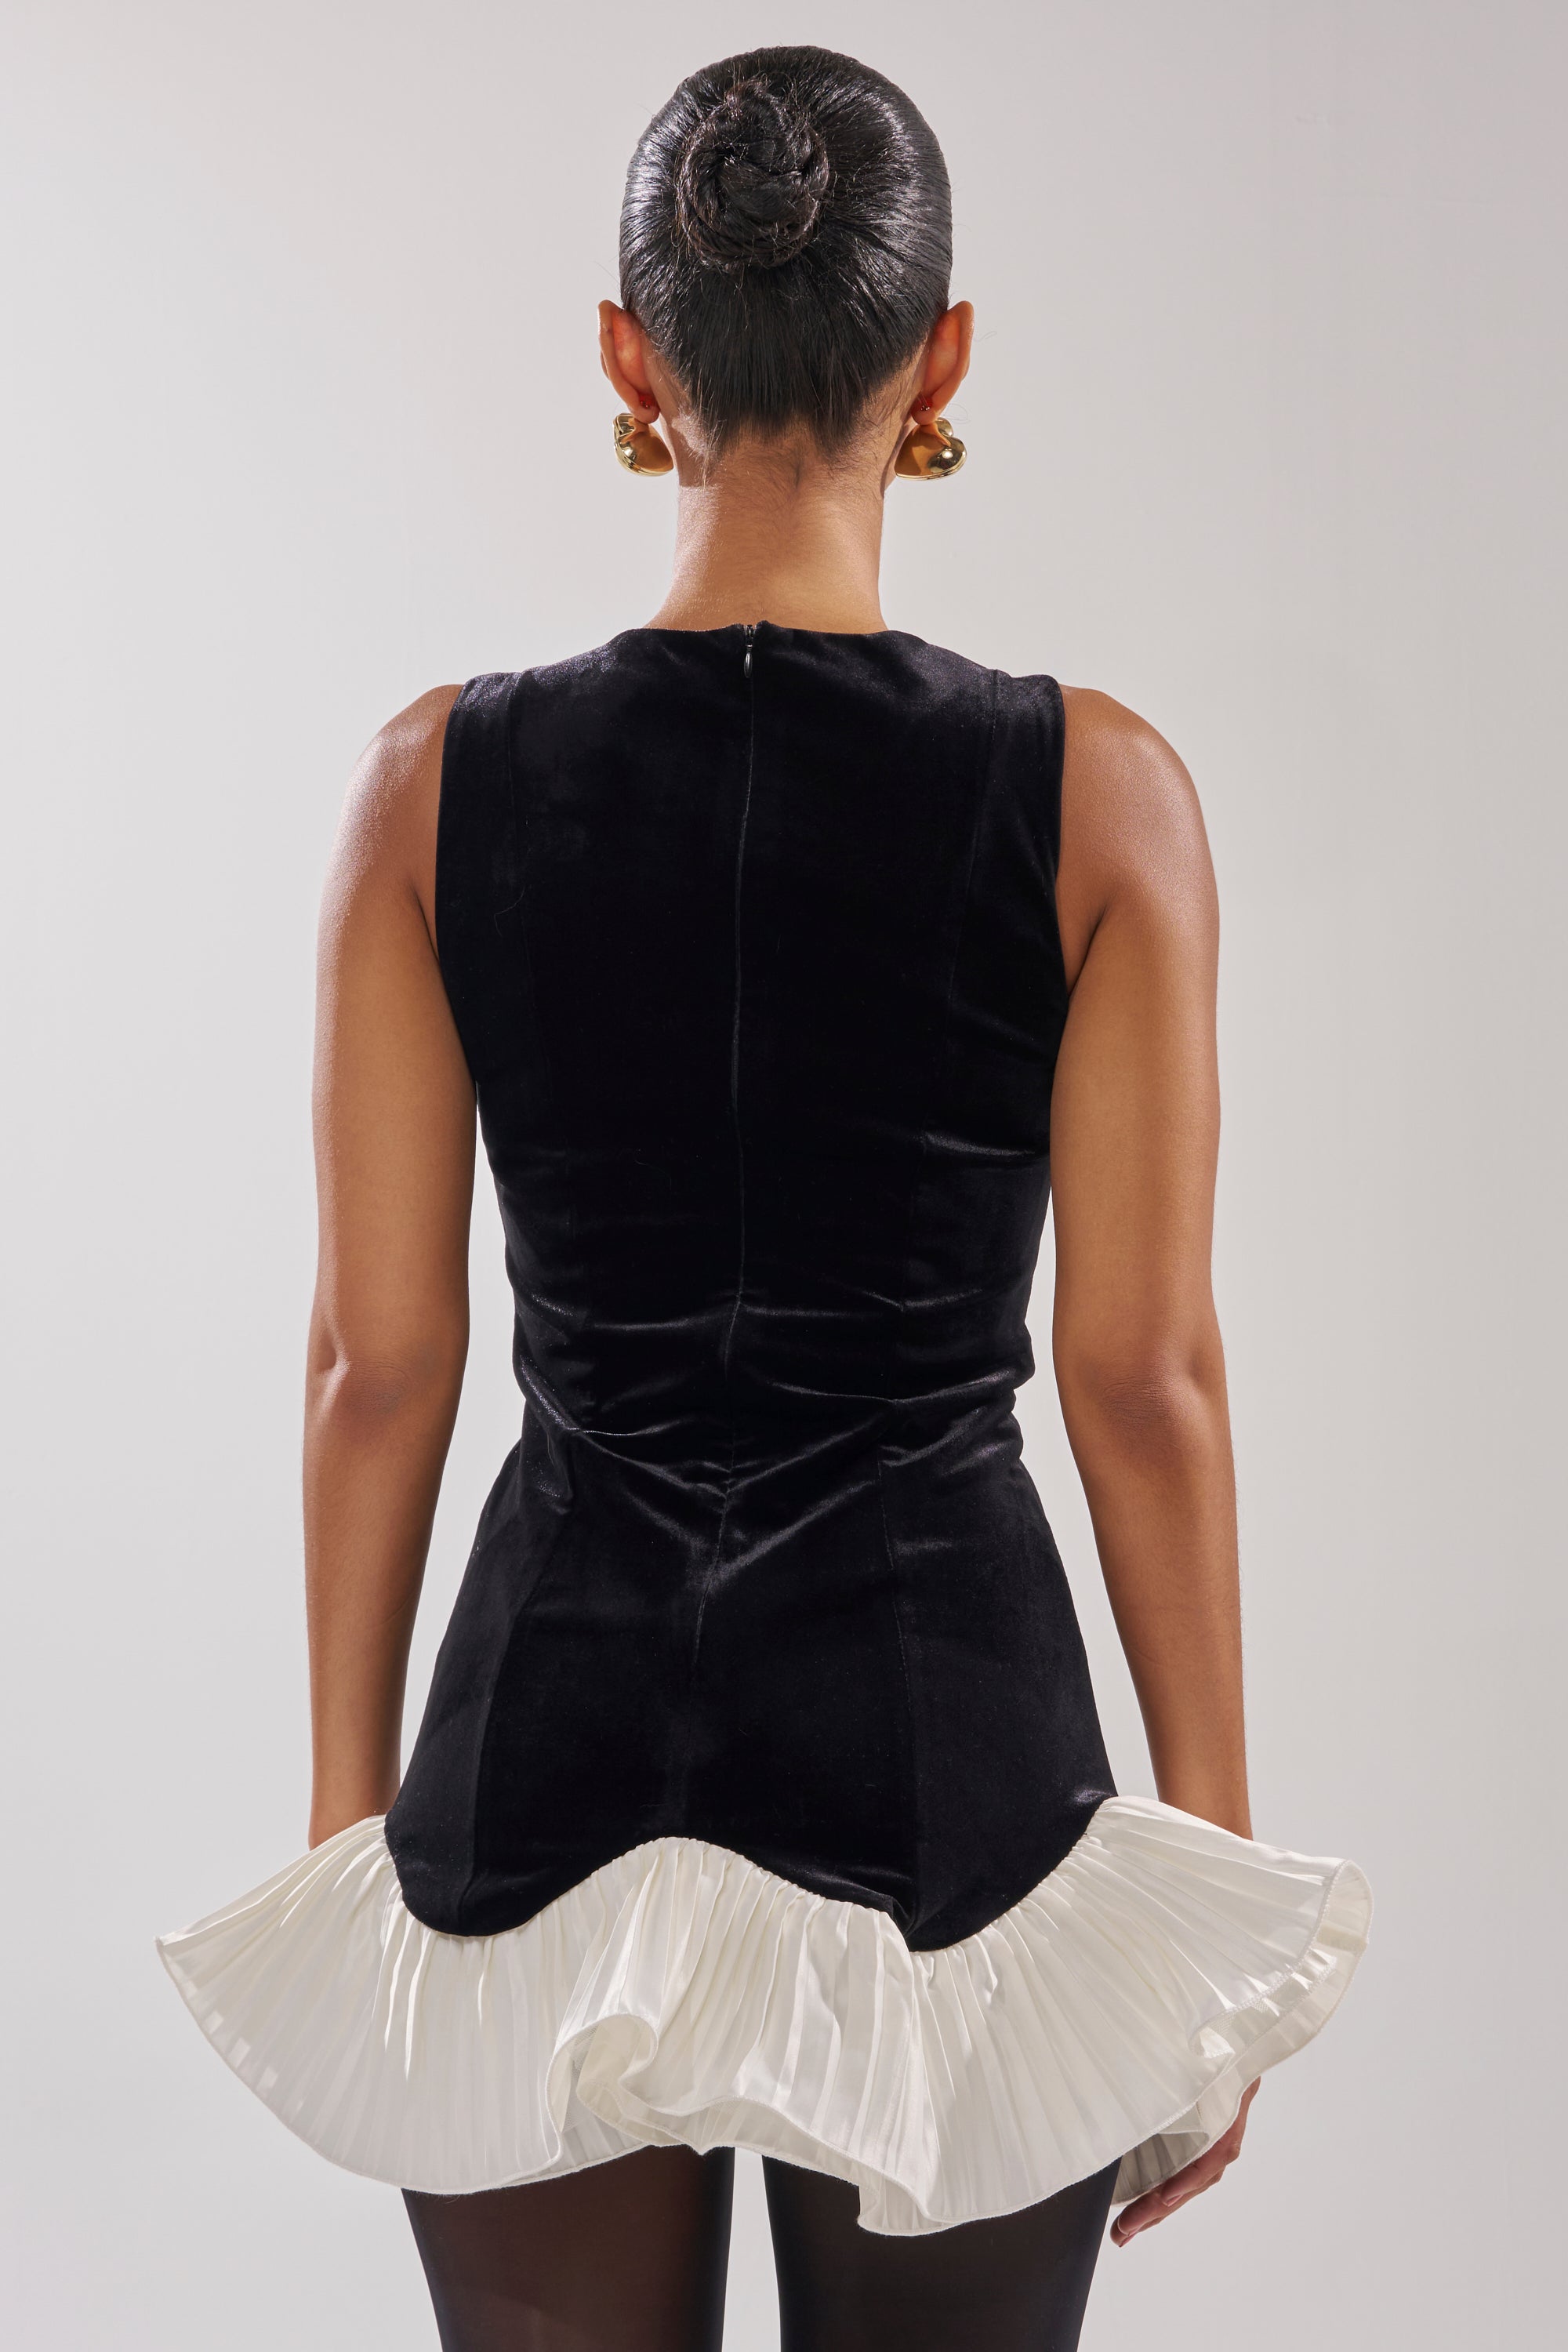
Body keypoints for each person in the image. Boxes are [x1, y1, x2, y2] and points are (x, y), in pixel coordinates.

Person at [158, 45, 1370, 2352]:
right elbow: (1144, 1374)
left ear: (631, 355)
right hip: (951, 1754)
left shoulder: (430, 787)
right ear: (944, 358)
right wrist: (1207, 1898)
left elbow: (376, 1361)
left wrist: (350, 1833)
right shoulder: (1100, 796)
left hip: (548, 1721)